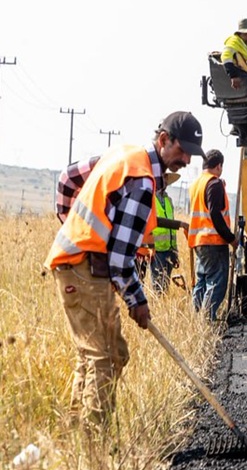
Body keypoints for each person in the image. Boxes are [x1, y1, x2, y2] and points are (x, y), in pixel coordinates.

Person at [44, 111, 204, 428]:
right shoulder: (142, 182)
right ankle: (91, 445)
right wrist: (138, 302)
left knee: (112, 355)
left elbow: (66, 178)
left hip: (84, 266)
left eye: (190, 153)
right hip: (84, 268)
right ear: (163, 140)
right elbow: (120, 259)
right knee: (102, 359)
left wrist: (69, 223)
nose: (185, 159)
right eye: (181, 149)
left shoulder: (122, 155)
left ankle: (76, 432)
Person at [188, 149, 238, 320]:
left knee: (202, 281)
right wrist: (231, 238)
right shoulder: (214, 184)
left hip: (198, 241)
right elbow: (215, 214)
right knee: (217, 282)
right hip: (213, 241)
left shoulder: (196, 184)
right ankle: (208, 319)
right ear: (218, 166)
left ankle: (196, 320)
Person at [149, 172, 188, 292]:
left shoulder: (168, 200)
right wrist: (151, 248)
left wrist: (175, 252)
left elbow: (172, 231)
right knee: (158, 287)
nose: (165, 181)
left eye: (166, 179)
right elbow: (151, 223)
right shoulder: (149, 199)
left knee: (165, 287)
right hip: (156, 251)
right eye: (163, 178)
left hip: (169, 250)